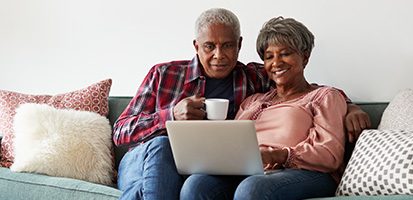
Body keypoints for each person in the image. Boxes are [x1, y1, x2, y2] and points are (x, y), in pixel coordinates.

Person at [113, 8, 370, 200]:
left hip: (259, 170)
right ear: (196, 46)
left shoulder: (253, 79)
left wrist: (352, 106)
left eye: (227, 46)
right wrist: (169, 115)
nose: (219, 55)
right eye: (209, 46)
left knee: (195, 184)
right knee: (163, 144)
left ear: (239, 45)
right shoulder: (164, 74)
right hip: (144, 158)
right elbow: (120, 132)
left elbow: (310, 92)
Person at [178, 16, 348, 200]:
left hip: (307, 173)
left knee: (251, 189)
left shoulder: (323, 97)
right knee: (197, 185)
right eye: (269, 56)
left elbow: (330, 155)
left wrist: (276, 155)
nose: (276, 62)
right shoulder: (252, 101)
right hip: (252, 173)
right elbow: (233, 145)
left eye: (285, 53)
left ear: (305, 57)